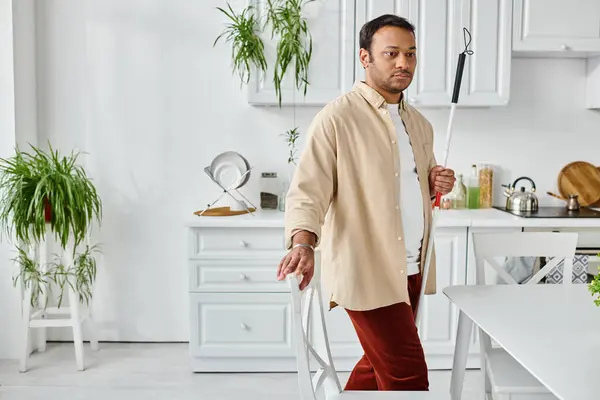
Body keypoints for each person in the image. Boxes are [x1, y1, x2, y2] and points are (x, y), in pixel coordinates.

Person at [276, 14, 456, 391]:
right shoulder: (337, 118)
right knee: (407, 374)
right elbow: (309, 189)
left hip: (412, 267)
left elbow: (410, 188)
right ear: (365, 57)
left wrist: (434, 182)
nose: (403, 63)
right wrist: (302, 243)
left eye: (410, 53)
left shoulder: (420, 124)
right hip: (368, 266)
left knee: (377, 367)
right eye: (391, 53)